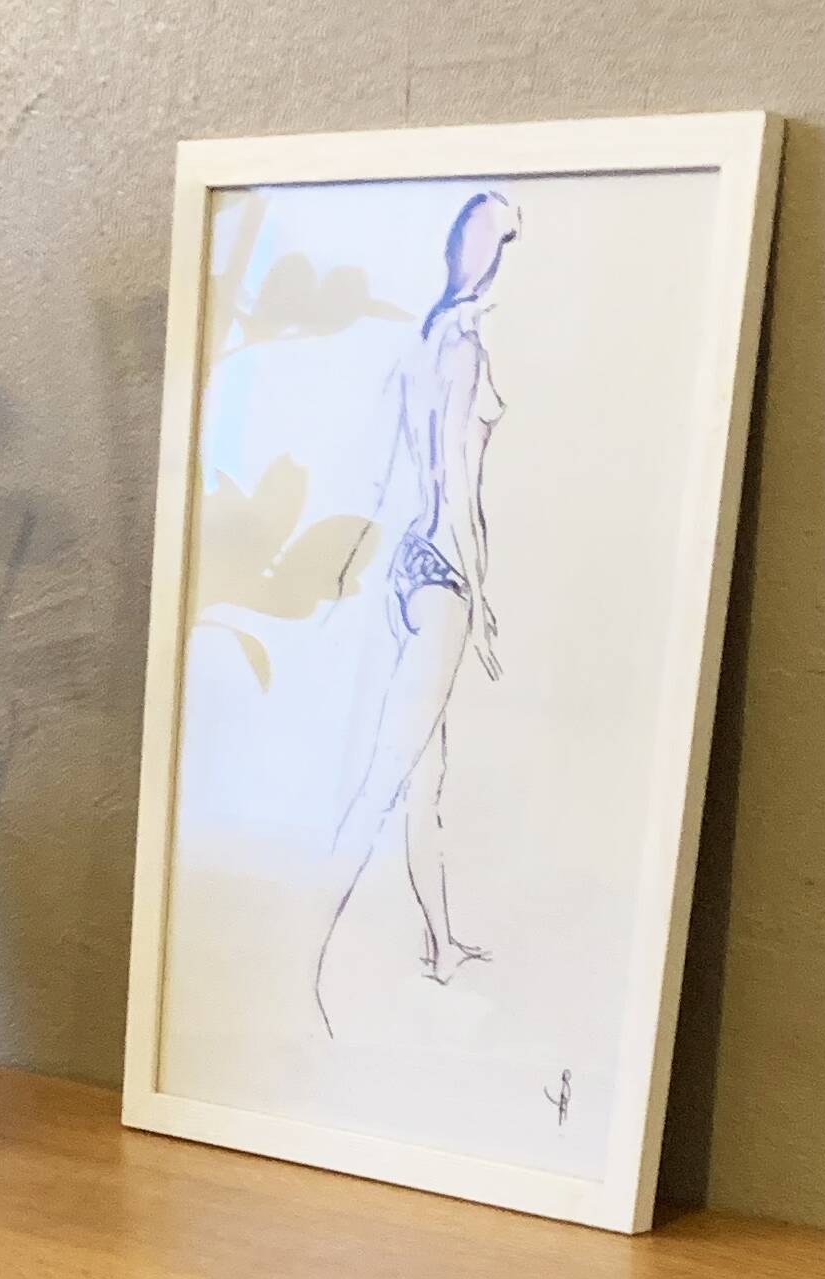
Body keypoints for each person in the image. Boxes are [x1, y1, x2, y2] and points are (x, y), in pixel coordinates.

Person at [314, 189, 518, 1030]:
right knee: (386, 777)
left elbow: (403, 471)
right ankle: (303, 952)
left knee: (421, 780)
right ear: (487, 253)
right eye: (506, 236)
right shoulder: (462, 342)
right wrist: (482, 596)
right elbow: (453, 484)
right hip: (445, 576)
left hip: (414, 567)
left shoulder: (424, 338)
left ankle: (439, 944)